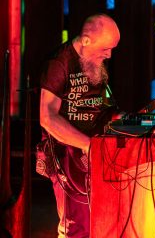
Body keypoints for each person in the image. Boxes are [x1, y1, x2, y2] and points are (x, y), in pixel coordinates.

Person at [39, 14, 120, 237]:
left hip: (93, 154)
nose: (109, 54)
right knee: (76, 225)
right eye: (105, 48)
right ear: (86, 40)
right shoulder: (59, 63)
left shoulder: (94, 64)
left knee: (103, 221)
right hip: (66, 156)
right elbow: (46, 117)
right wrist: (88, 145)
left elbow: (98, 109)